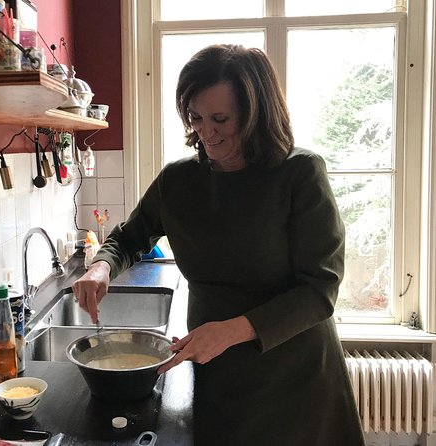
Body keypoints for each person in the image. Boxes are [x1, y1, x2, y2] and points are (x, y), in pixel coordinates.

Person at [72, 44, 365, 446]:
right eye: (195, 117)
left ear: (256, 114)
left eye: (220, 119)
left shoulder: (299, 174)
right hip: (214, 367)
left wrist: (230, 331)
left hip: (293, 375)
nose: (205, 132)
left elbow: (321, 289)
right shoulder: (178, 180)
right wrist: (101, 266)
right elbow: (129, 237)